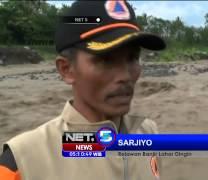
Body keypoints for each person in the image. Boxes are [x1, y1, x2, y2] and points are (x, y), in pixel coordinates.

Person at [0, 0, 165, 180]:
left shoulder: (148, 132)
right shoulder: (22, 162)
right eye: (106, 60)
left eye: (132, 58)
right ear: (66, 69)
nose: (125, 75)